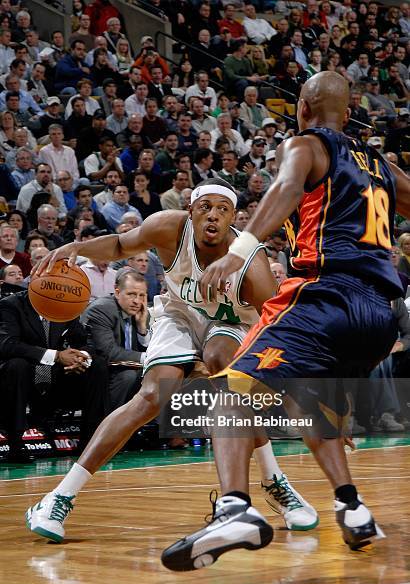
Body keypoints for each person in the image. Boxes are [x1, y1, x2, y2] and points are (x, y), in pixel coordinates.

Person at [160, 71, 410, 571]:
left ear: (302, 107)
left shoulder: (308, 144)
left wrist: (240, 249)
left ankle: (234, 508)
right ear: (351, 107)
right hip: (382, 315)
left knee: (232, 394)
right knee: (313, 404)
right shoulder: (379, 163)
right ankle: (351, 506)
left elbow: (286, 185)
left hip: (326, 293)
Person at [26, 177, 318, 543]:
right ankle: (59, 496)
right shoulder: (167, 227)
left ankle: (274, 481)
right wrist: (76, 246)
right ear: (190, 211)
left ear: (234, 218)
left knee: (228, 374)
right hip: (178, 313)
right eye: (205, 208)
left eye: (222, 210)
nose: (213, 215)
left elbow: (277, 333)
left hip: (231, 322)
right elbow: (118, 244)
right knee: (150, 398)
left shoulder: (252, 265)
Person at [0, 290, 109, 461]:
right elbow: (7, 344)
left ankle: (90, 441)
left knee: (97, 365)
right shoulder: (11, 304)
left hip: (55, 383)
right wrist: (57, 355)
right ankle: (15, 442)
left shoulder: (64, 306)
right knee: (17, 365)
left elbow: (85, 342)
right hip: (24, 385)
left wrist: (79, 358)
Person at [83, 269, 149, 411]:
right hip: (97, 372)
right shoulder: (102, 309)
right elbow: (109, 352)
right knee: (129, 377)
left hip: (124, 366)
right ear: (117, 292)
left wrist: (142, 328)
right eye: (131, 294)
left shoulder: (139, 311)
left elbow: (143, 348)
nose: (137, 301)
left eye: (141, 295)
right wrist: (149, 358)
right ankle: (110, 423)